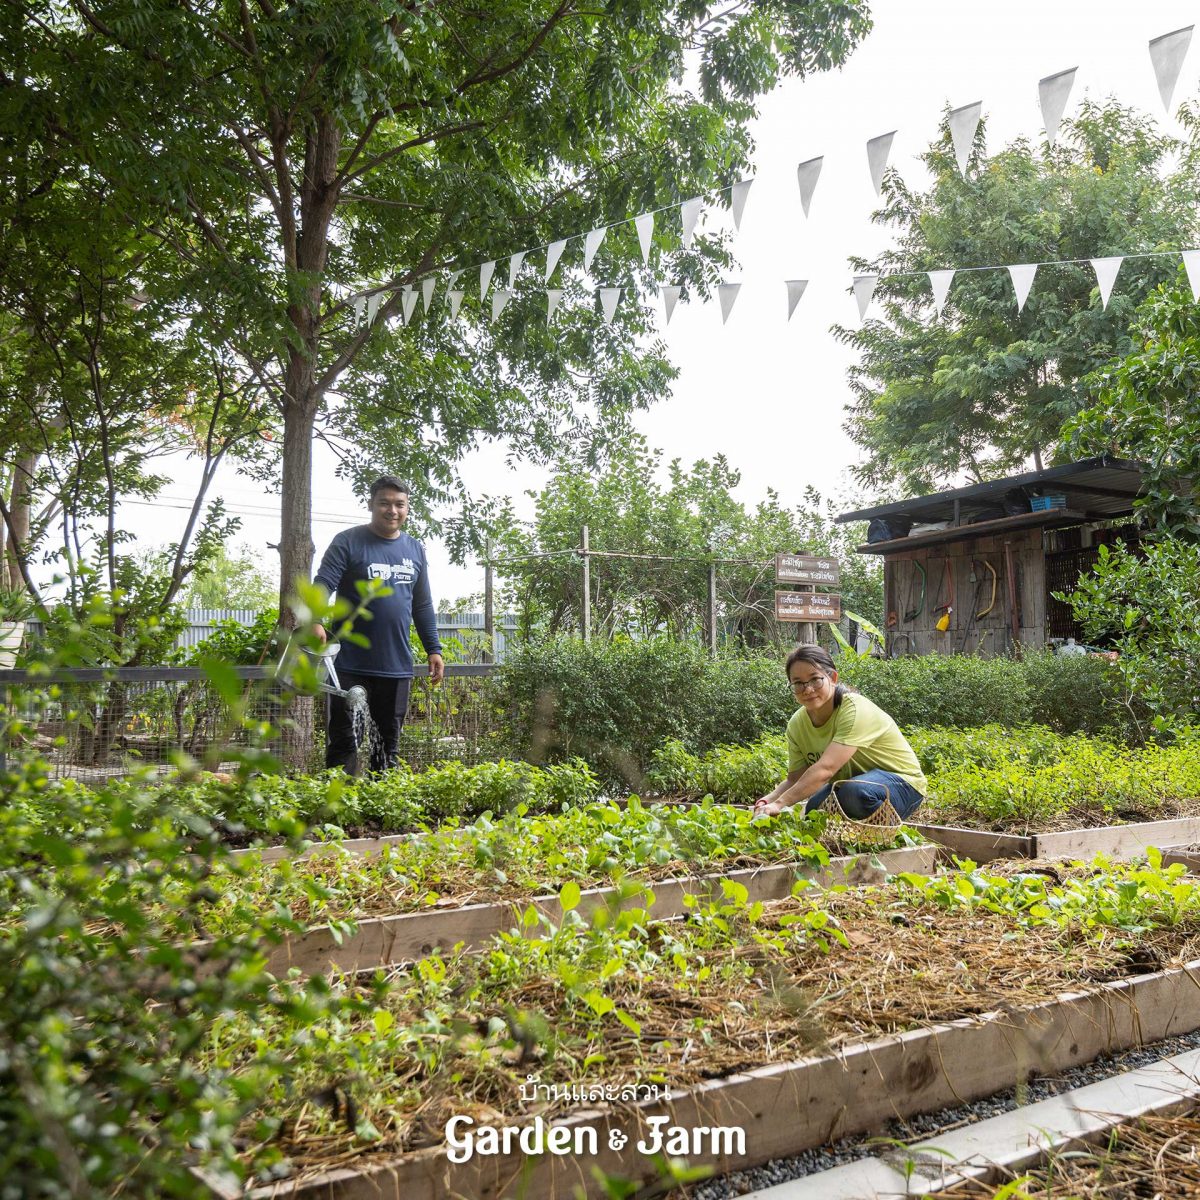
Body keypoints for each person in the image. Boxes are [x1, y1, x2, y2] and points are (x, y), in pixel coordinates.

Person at [313, 476, 445, 775]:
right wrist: (315, 619)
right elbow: (323, 583)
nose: (392, 510)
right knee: (345, 742)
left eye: (400, 504)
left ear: (407, 508)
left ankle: (380, 812)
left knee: (388, 745)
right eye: (385, 503)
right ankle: (336, 811)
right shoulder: (347, 541)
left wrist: (433, 649)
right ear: (371, 504)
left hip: (396, 666)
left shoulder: (415, 549)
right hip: (348, 664)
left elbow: (422, 604)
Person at [752, 644, 926, 820]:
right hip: (853, 784)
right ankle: (858, 833)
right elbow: (794, 780)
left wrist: (780, 804)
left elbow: (826, 769)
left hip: (903, 785)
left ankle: (882, 831)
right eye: (798, 683)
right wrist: (767, 802)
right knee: (814, 810)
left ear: (832, 677)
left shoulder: (854, 708)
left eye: (815, 680)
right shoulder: (797, 724)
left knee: (854, 794)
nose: (808, 689)